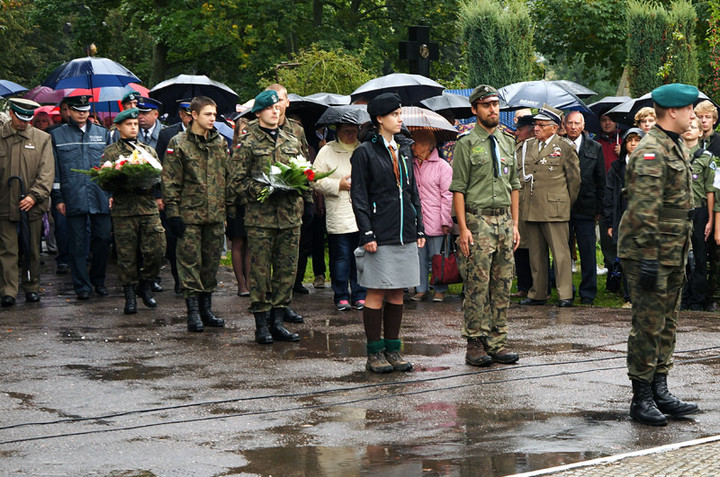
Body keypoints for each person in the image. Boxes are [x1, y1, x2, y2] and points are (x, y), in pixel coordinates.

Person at [618, 83, 700, 426]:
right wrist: (650, 256)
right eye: (689, 110)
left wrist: (688, 249)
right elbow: (643, 210)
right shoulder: (651, 151)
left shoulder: (674, 145)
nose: (694, 115)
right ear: (672, 112)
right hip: (648, 252)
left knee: (667, 324)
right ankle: (642, 397)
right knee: (648, 325)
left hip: (672, 249)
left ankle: (660, 388)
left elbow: (680, 207)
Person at [351, 92, 425, 373]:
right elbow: (359, 196)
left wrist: (419, 226)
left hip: (404, 231)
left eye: (400, 114)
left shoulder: (404, 148)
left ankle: (394, 350)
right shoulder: (364, 153)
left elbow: (411, 191)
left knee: (397, 293)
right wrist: (367, 233)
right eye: (395, 115)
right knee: (377, 292)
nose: (400, 119)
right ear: (379, 119)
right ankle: (374, 353)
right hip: (379, 233)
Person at [450, 85, 520, 367]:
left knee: (502, 283)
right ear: (474, 110)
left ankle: (497, 341)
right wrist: (463, 228)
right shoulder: (466, 144)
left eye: (495, 104)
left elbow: (514, 185)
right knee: (477, 285)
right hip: (477, 221)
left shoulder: (507, 141)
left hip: (504, 221)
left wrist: (515, 224)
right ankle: (475, 342)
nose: (493, 110)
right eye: (486, 105)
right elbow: (458, 189)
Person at [232, 89, 307, 344]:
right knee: (261, 272)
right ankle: (261, 324)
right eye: (270, 108)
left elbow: (304, 171)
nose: (276, 111)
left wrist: (302, 187)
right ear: (259, 112)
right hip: (261, 217)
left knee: (287, 271)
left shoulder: (291, 138)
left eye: (278, 107)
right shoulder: (248, 142)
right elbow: (237, 182)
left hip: (289, 215)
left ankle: (278, 321)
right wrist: (264, 189)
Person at [162, 96, 230, 332]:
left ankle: (206, 309)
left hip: (214, 216)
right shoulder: (178, 143)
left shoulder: (219, 142)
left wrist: (228, 211)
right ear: (194, 115)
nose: (213, 119)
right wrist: (173, 214)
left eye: (214, 114)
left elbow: (226, 178)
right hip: (189, 216)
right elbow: (170, 182)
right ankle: (193, 312)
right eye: (208, 114)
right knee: (190, 265)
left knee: (210, 266)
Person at [102, 108, 166, 314]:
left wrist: (153, 186)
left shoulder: (148, 150)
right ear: (119, 127)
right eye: (129, 124)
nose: (133, 128)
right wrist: (119, 180)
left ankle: (145, 285)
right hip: (125, 210)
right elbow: (103, 182)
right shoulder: (111, 152)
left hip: (148, 208)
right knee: (126, 255)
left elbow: (160, 176)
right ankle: (130, 295)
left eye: (136, 124)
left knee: (157, 250)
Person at [50, 94, 112, 300]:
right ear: (69, 111)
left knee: (103, 239)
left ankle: (98, 280)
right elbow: (55, 170)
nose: (81, 114)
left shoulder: (103, 134)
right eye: (77, 111)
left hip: (99, 195)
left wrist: (111, 193)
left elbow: (110, 166)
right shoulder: (57, 136)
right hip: (73, 195)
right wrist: (58, 198)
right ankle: (82, 286)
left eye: (85, 111)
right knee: (76, 243)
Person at [518, 105, 580, 307]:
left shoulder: (564, 147)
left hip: (555, 207)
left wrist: (564, 204)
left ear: (554, 128)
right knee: (536, 254)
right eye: (535, 124)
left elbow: (574, 181)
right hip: (532, 206)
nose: (536, 128)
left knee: (560, 254)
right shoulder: (528, 146)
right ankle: (538, 292)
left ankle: (564, 294)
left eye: (541, 125)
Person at [0, 98, 54, 306]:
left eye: (28, 119)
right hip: (4, 203)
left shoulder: (42, 139)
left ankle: (31, 286)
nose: (25, 123)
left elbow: (47, 171)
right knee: (7, 250)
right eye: (21, 119)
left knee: (32, 248)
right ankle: (8, 290)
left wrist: (34, 195)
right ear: (12, 114)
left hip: (32, 205)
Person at [313, 122, 367, 310]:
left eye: (354, 131)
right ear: (338, 131)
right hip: (339, 211)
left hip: (361, 213)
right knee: (342, 256)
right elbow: (314, 179)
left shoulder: (363, 148)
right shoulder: (327, 151)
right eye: (346, 131)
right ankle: (341, 295)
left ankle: (360, 294)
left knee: (361, 256)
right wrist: (338, 185)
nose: (351, 134)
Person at [564, 111, 605, 305]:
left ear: (583, 126)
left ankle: (588, 293)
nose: (573, 127)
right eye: (570, 123)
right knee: (562, 251)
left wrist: (599, 208)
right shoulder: (559, 145)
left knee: (588, 251)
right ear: (564, 125)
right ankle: (565, 291)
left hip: (586, 207)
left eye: (576, 123)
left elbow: (601, 180)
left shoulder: (594, 147)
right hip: (562, 207)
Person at [155, 99, 193, 295]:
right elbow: (159, 166)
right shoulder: (167, 134)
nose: (190, 117)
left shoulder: (208, 136)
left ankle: (189, 280)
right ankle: (178, 277)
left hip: (194, 198)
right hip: (172, 195)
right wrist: (159, 195)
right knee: (172, 238)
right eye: (186, 114)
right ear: (181, 114)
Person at [411, 129, 453, 302]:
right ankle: (421, 289)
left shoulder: (442, 166)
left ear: (427, 146)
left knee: (439, 256)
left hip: (437, 219)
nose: (412, 147)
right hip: (417, 220)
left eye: (416, 144)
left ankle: (440, 289)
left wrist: (446, 221)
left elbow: (447, 195)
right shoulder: (411, 164)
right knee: (419, 256)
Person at [604, 128, 644, 307]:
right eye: (630, 140)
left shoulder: (650, 165)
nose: (633, 144)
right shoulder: (616, 168)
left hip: (644, 218)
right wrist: (611, 222)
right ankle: (629, 297)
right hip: (622, 217)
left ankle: (644, 296)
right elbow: (609, 195)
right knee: (627, 258)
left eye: (637, 140)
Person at [680, 117, 714, 311]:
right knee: (679, 257)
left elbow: (710, 191)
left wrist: (710, 219)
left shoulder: (706, 158)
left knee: (700, 256)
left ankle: (697, 300)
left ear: (701, 133)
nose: (689, 130)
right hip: (679, 211)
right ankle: (682, 297)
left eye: (694, 127)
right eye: (687, 126)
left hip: (699, 211)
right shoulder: (675, 155)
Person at [511, 114, 535, 299]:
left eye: (520, 129)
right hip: (518, 202)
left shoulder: (536, 146)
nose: (517, 131)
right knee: (519, 245)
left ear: (530, 128)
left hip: (534, 202)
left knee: (535, 247)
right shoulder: (516, 147)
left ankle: (537, 285)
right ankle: (523, 286)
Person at [228, 115, 251, 297]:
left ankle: (249, 282)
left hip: (251, 202)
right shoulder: (230, 151)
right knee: (237, 242)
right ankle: (240, 284)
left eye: (247, 131)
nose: (244, 134)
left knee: (250, 243)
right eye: (241, 131)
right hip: (235, 202)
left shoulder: (252, 150)